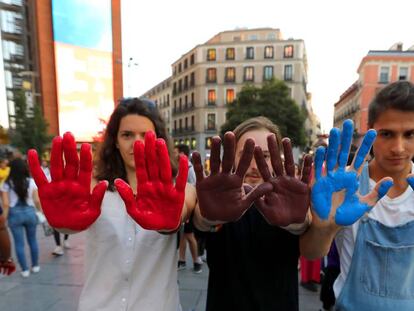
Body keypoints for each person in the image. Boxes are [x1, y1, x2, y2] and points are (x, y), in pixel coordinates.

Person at [27, 97, 195, 311]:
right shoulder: (94, 188)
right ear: (115, 140)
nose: (137, 142)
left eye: (145, 135)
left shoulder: (178, 191)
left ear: (159, 139)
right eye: (127, 135)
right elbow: (66, 221)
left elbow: (186, 209)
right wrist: (59, 220)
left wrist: (171, 220)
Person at [301, 81, 414, 310]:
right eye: (387, 134)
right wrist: (324, 227)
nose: (398, 148)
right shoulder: (347, 186)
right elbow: (311, 253)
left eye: (410, 134)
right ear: (370, 129)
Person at [192, 116, 313, 310]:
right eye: (246, 155)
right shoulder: (215, 198)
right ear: (232, 157)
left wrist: (296, 224)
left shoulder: (292, 202)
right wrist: (209, 217)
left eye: (264, 156)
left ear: (277, 158)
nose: (255, 166)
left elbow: (304, 225)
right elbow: (201, 221)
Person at [0, 158, 41, 277]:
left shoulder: (6, 184)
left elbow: (6, 204)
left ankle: (25, 270)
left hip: (14, 214)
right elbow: (37, 200)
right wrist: (41, 212)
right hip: (30, 213)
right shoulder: (31, 182)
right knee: (33, 240)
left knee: (19, 243)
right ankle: (35, 266)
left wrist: (5, 218)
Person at [174, 144, 202, 273]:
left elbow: (195, 185)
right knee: (184, 236)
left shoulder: (190, 168)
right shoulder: (180, 167)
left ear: (182, 154)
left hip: (189, 205)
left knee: (189, 235)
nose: (174, 154)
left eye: (176, 152)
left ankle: (197, 261)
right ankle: (182, 260)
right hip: (182, 204)